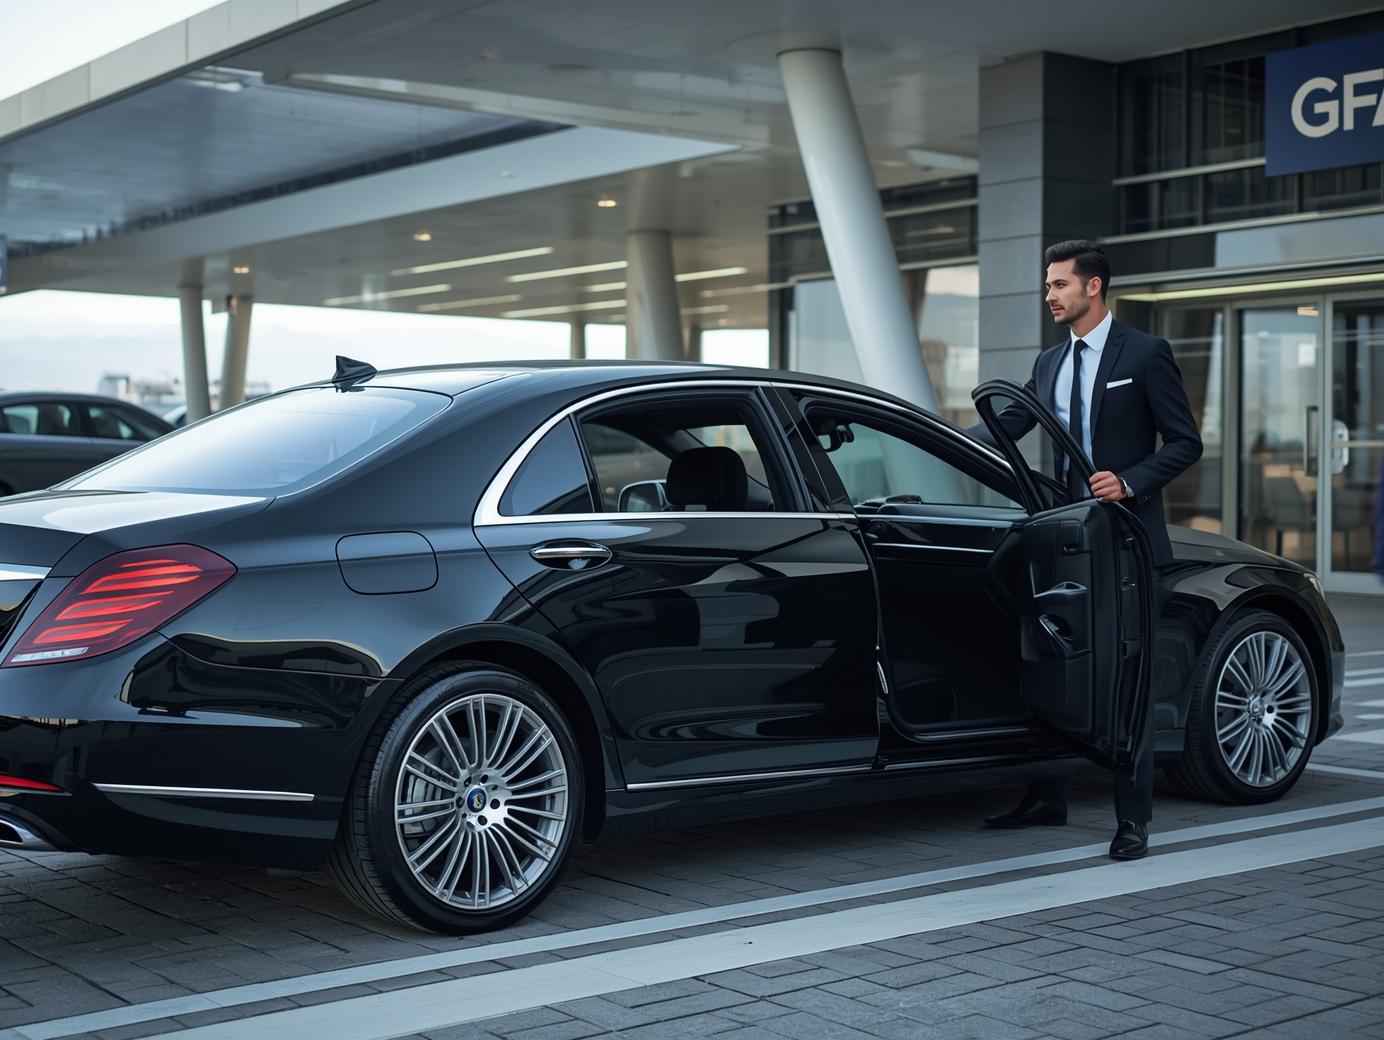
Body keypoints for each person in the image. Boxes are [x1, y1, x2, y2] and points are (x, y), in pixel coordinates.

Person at [979, 239, 1203, 861]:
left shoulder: (1146, 353)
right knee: (1051, 660)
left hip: (1124, 539)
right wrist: (925, 435)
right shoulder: (1050, 362)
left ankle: (1133, 818)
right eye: (1048, 285)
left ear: (1093, 286)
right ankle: (1046, 795)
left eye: (1059, 284)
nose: (1049, 295)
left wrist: (1130, 480)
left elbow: (1185, 442)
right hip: (1064, 535)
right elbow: (1007, 427)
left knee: (1127, 676)